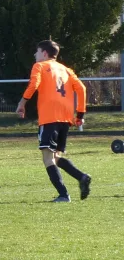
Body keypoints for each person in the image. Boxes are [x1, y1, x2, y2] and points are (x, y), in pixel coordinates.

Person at [15, 40, 91, 202]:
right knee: (55, 156)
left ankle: (63, 195)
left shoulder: (40, 66)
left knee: (47, 157)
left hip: (49, 117)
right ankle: (82, 177)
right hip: (66, 118)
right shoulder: (66, 69)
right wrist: (80, 115)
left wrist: (22, 103)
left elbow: (34, 84)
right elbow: (82, 89)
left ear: (44, 53)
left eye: (37, 51)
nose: (35, 55)